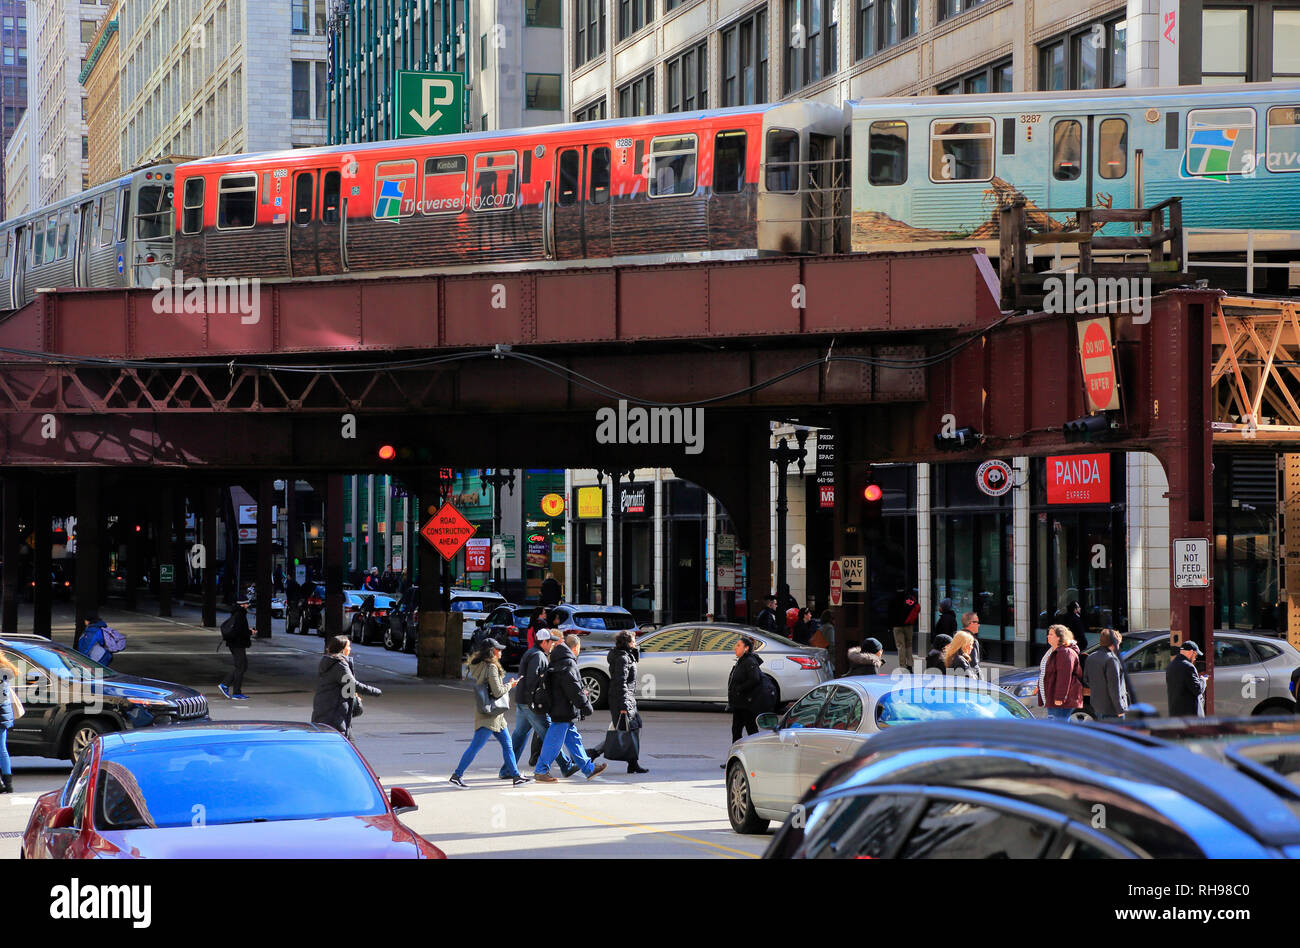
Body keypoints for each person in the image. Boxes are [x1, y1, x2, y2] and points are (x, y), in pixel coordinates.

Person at [449, 639, 531, 787]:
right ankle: (457, 775)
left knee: (507, 745)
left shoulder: (479, 665)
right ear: (493, 651)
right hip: (489, 715)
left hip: (495, 715)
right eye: (499, 649)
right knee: (476, 746)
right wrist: (510, 685)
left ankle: (516, 776)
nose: (501, 652)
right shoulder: (492, 667)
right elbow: (498, 691)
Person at [502, 630, 577, 779]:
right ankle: (566, 766)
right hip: (531, 704)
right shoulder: (538, 656)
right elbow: (533, 681)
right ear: (544, 642)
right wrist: (537, 703)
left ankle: (507, 770)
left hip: (523, 702)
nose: (553, 645)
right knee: (550, 735)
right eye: (551, 642)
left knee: (519, 736)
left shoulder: (531, 652)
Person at [533, 634, 606, 782]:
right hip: (563, 710)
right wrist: (585, 705)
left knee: (574, 739)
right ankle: (541, 770)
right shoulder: (567, 663)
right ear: (576, 647)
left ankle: (588, 769)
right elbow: (573, 688)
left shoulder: (556, 660)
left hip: (560, 708)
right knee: (553, 742)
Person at [589, 630, 649, 774]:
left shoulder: (627, 655)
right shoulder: (622, 658)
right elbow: (619, 682)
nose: (635, 643)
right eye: (633, 641)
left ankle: (632, 763)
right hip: (621, 699)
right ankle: (592, 753)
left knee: (630, 729)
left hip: (627, 698)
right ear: (627, 642)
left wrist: (634, 651)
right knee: (623, 731)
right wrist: (623, 706)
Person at [312, 635, 382, 740]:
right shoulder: (339, 665)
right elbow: (352, 685)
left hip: (327, 711)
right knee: (345, 748)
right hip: (334, 715)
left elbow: (345, 687)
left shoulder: (329, 662)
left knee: (347, 745)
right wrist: (375, 691)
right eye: (348, 646)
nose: (350, 649)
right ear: (342, 649)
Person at [727, 635, 770, 741]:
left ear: (746, 648)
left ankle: (755, 752)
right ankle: (737, 752)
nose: (735, 648)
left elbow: (754, 679)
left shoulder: (749, 661)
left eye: (738, 645)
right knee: (736, 730)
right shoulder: (741, 661)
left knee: (751, 731)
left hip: (747, 704)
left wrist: (739, 689)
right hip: (739, 704)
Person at [1084, 628, 1129, 720]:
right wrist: (1120, 709)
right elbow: (1114, 688)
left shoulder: (1091, 657)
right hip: (1112, 709)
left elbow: (1086, 680)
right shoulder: (1111, 660)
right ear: (1115, 643)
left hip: (1097, 706)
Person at [1043, 626, 1084, 720]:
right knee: (1057, 728)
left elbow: (1064, 677)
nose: (1047, 636)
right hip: (1052, 697)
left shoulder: (1065, 652)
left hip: (1060, 700)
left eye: (1051, 634)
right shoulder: (1054, 650)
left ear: (1059, 637)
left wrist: (1060, 697)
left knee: (1057, 729)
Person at [219, 599, 252, 700]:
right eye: (246, 604)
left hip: (235, 643)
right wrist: (250, 632)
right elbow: (240, 631)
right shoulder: (240, 615)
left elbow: (239, 629)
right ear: (242, 605)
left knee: (243, 666)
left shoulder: (237, 613)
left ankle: (226, 685)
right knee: (240, 667)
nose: (248, 605)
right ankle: (235, 692)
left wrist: (248, 631)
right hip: (237, 644)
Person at [1166, 640, 1206, 717]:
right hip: (1188, 715)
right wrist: (1203, 681)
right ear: (1191, 652)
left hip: (1174, 713)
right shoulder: (1188, 667)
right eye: (1196, 655)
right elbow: (1197, 689)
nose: (1195, 658)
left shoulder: (1171, 665)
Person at [888, 587, 918, 672]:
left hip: (897, 626)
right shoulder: (908, 598)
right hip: (908, 625)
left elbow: (890, 613)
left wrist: (890, 626)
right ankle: (910, 665)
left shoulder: (893, 598)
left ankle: (902, 666)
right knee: (909, 645)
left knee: (901, 646)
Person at [0, 652, 16, 794]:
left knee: (1, 748)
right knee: (2, 749)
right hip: (3, 715)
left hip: (1, 715)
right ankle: (7, 783)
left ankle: (5, 783)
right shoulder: (4, 670)